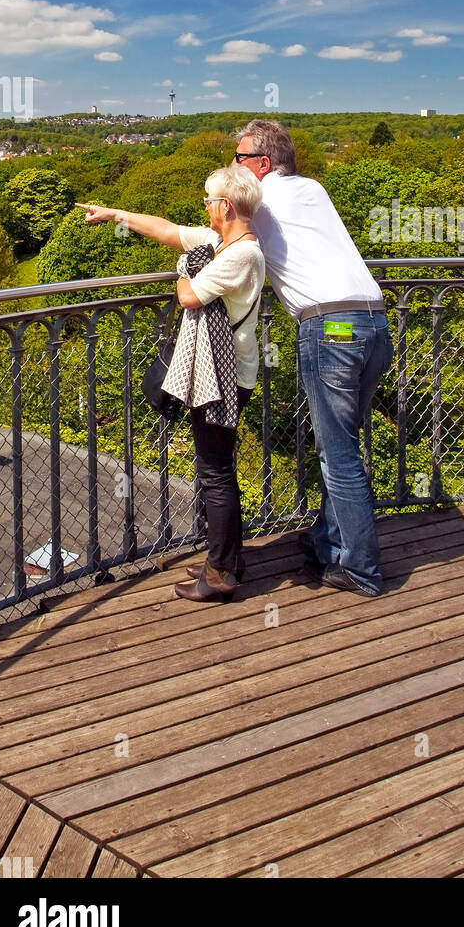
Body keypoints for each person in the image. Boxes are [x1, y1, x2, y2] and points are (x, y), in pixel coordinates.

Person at [77, 165, 266, 602]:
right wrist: (114, 214)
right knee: (218, 469)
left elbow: (189, 295)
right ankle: (230, 559)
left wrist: (183, 268)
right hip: (223, 370)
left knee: (215, 473)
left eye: (208, 200)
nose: (205, 207)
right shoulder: (221, 243)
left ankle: (220, 572)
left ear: (225, 206)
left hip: (221, 375)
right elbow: (165, 230)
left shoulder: (241, 255)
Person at [233, 118, 393, 597]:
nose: (232, 167)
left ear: (262, 164)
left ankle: (360, 569)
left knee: (339, 454)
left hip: (331, 328)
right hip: (374, 324)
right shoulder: (312, 189)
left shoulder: (259, 199)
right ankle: (330, 544)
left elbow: (218, 239)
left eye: (239, 159)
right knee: (341, 444)